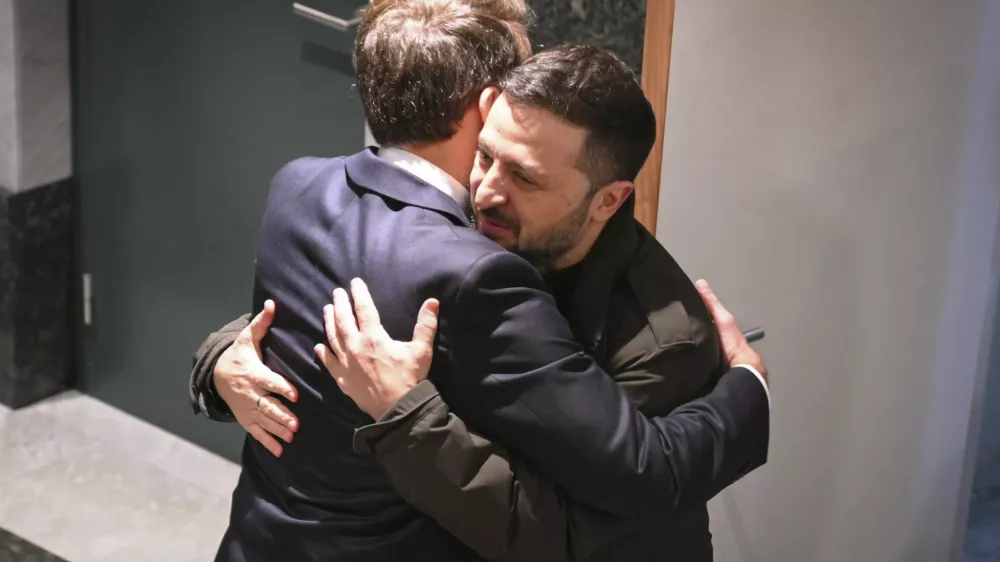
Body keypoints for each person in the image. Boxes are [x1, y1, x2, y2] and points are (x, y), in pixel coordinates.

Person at [190, 2, 770, 561]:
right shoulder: (468, 246)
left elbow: (596, 511)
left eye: (524, 174)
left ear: (610, 200)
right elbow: (357, 288)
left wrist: (748, 385)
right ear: (483, 107)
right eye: (489, 155)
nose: (490, 189)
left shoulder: (655, 335)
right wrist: (221, 362)